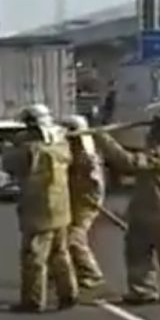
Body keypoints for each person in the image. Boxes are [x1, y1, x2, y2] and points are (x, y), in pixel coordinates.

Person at [94, 100, 160, 305]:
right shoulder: (159, 149)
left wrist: (102, 138)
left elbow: (128, 163)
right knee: (137, 249)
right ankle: (143, 290)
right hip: (145, 209)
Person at [6, 104, 77, 312]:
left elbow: (10, 164)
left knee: (34, 257)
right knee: (60, 253)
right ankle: (68, 293)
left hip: (39, 211)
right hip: (61, 208)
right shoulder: (61, 146)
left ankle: (33, 300)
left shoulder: (31, 150)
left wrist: (7, 148)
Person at [63, 114, 107, 292]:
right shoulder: (71, 150)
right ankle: (61, 273)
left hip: (85, 200)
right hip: (72, 199)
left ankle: (92, 273)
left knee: (74, 237)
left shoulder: (86, 155)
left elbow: (94, 182)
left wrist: (92, 200)